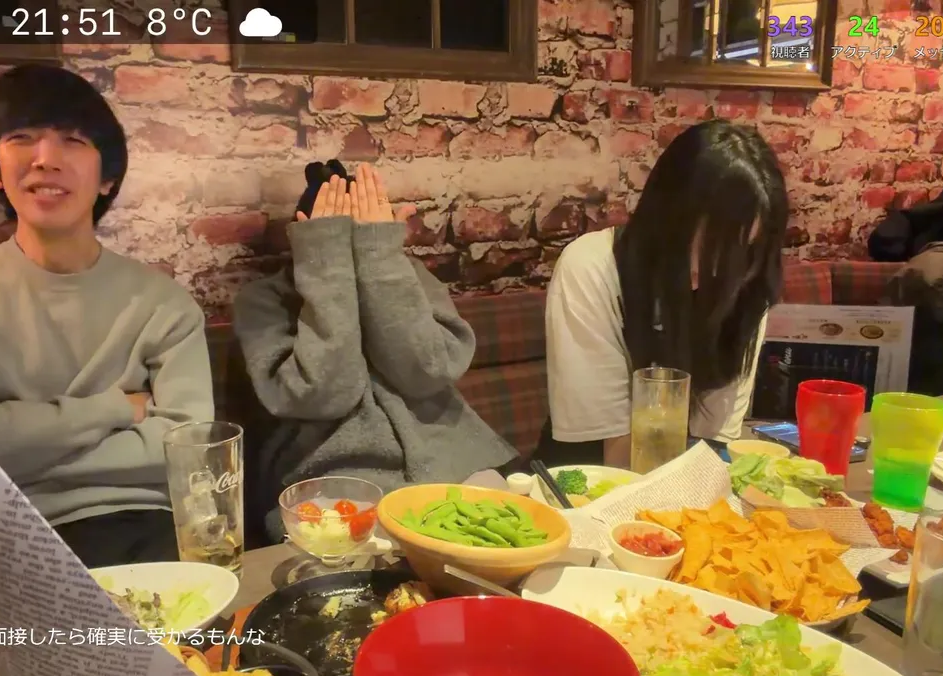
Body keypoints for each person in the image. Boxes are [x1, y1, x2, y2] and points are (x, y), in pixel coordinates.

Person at [0, 65, 213, 567]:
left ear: (108, 178)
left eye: (73, 140)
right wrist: (117, 409)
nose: (45, 159)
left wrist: (18, 447)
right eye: (21, 138)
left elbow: (188, 450)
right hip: (8, 535)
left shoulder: (165, 304)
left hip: (152, 529)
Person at [234, 161, 518, 541]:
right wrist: (326, 266)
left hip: (455, 463)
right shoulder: (263, 300)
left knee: (511, 537)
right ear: (304, 235)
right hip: (333, 482)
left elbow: (427, 372)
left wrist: (381, 261)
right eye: (334, 235)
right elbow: (321, 394)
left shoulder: (407, 276)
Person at [537, 120, 787, 468]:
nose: (710, 269)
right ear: (664, 216)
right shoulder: (593, 267)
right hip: (588, 473)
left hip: (684, 472)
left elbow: (713, 443)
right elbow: (615, 451)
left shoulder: (747, 287)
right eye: (702, 240)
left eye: (736, 250)